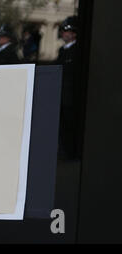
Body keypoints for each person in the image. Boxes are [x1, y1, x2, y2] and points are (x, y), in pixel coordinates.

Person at [55, 16, 79, 158]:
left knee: (70, 125)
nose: (64, 33)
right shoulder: (63, 50)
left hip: (71, 96)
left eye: (67, 31)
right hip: (62, 95)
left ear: (74, 33)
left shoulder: (76, 50)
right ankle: (64, 150)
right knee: (62, 126)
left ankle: (70, 152)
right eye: (63, 30)